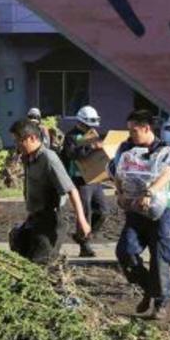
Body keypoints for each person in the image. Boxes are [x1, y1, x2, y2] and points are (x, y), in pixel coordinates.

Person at [109, 109, 170, 320]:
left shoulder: (165, 149)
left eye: (134, 130)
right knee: (125, 251)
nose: (130, 134)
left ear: (146, 128)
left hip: (162, 211)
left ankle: (161, 304)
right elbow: (117, 171)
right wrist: (120, 193)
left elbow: (167, 173)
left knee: (160, 259)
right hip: (135, 209)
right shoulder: (126, 148)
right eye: (128, 130)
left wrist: (150, 192)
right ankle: (149, 288)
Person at [8, 119, 91, 264]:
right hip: (35, 219)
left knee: (40, 263)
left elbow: (72, 190)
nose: (17, 145)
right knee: (21, 252)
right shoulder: (28, 158)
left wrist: (82, 221)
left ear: (32, 138)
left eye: (19, 141)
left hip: (51, 220)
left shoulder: (49, 158)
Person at [59, 105, 108, 258]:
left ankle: (83, 236)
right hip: (79, 180)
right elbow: (73, 155)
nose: (91, 128)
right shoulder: (71, 137)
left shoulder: (92, 134)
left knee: (102, 212)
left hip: (95, 179)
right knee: (85, 212)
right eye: (89, 125)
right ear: (81, 122)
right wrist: (92, 147)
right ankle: (85, 245)